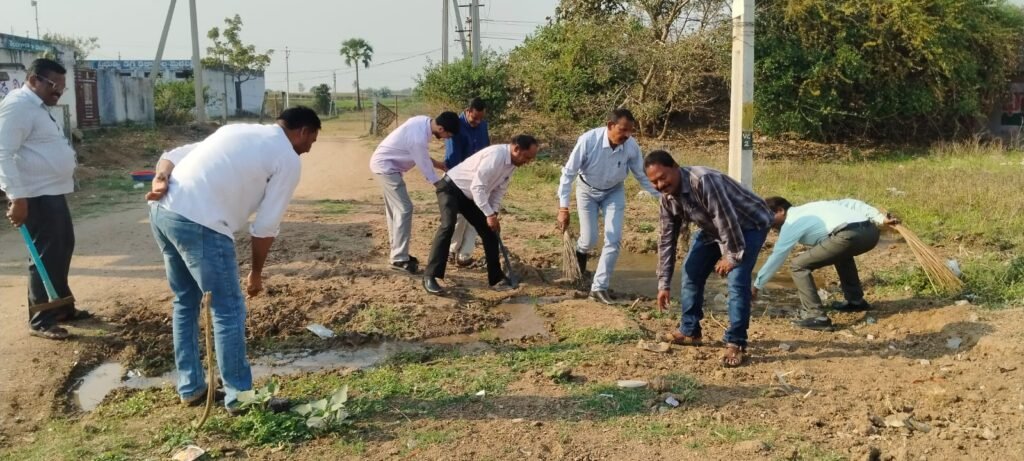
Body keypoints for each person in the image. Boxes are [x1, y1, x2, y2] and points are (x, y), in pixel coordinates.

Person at [146, 107, 321, 413]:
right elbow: (266, 227)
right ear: (303, 131)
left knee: (185, 301)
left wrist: (160, 177)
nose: (309, 149)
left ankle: (191, 388)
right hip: (202, 223)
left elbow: (171, 155)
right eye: (312, 141)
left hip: (165, 211)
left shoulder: (236, 130)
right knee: (228, 310)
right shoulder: (287, 158)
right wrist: (255, 273)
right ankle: (240, 398)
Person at [644, 150, 772, 368]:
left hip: (750, 224)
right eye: (654, 182)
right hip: (713, 229)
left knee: (737, 280)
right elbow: (666, 241)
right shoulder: (667, 199)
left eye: (662, 177)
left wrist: (731, 256)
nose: (660, 185)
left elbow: (726, 219)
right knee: (692, 271)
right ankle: (690, 331)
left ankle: (736, 342)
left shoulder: (703, 181)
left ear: (675, 166)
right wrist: (663, 283)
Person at [0, 58, 91, 340]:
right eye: (54, 85)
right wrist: (17, 197)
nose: (58, 92)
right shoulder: (18, 106)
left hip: (51, 190)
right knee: (45, 254)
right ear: (34, 80)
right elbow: (2, 152)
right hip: (34, 194)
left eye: (62, 87)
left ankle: (62, 307)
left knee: (62, 247)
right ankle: (41, 319)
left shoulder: (36, 106)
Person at [555, 109, 659, 304]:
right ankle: (580, 257)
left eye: (630, 131)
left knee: (613, 238)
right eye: (623, 130)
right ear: (610, 126)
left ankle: (598, 288)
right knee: (589, 239)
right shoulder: (588, 140)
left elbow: (642, 176)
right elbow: (568, 173)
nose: (627, 135)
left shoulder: (631, 147)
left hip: (614, 192)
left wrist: (664, 197)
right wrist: (563, 208)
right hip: (587, 191)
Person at [753, 196, 899, 331]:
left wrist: (756, 286)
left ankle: (816, 316)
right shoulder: (812, 206)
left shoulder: (792, 222)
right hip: (870, 233)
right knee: (840, 253)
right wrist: (879, 218)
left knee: (798, 265)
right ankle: (855, 301)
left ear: (780, 211)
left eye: (767, 217)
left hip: (848, 235)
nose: (767, 223)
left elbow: (778, 256)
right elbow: (851, 203)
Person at [423, 135, 540, 295]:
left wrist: (494, 213)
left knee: (490, 232)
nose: (528, 161)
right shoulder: (496, 156)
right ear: (516, 149)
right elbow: (477, 186)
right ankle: (430, 276)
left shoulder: (512, 163)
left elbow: (499, 190)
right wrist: (488, 214)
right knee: (448, 225)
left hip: (469, 196)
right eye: (527, 157)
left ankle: (496, 277)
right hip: (451, 188)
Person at [370, 112, 460, 273]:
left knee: (396, 211)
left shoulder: (422, 121)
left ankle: (397, 253)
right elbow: (424, 165)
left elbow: (422, 156)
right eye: (447, 135)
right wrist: (441, 186)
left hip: (386, 166)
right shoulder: (418, 138)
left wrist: (440, 166)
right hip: (386, 168)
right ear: (440, 128)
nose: (447, 138)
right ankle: (398, 258)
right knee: (405, 209)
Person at [445, 98, 490, 267]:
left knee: (477, 217)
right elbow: (453, 157)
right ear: (468, 111)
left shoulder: (483, 126)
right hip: (460, 178)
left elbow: (487, 151)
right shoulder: (456, 126)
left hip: (479, 177)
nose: (477, 122)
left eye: (481, 118)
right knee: (459, 217)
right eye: (475, 118)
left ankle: (465, 255)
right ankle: (451, 250)